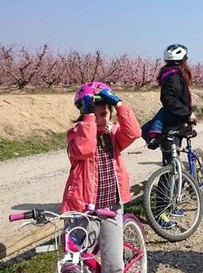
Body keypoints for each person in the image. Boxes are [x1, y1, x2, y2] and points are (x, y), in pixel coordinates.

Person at [61, 82, 141, 273]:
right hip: (84, 208)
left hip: (111, 206)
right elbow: (86, 148)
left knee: (113, 265)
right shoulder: (75, 135)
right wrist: (88, 119)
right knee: (77, 259)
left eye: (103, 114)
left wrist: (120, 104)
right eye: (93, 115)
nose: (98, 120)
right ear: (84, 116)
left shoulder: (113, 134)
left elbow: (134, 132)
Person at [156, 43, 196, 166]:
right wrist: (188, 113)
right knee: (171, 165)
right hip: (173, 125)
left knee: (171, 164)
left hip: (178, 123)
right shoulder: (173, 77)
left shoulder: (171, 75)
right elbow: (169, 100)